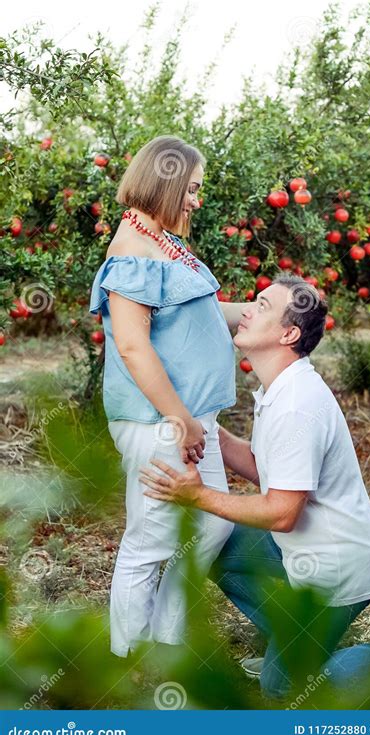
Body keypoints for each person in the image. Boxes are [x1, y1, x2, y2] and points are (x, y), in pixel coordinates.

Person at [138, 275, 370, 703]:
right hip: (299, 554)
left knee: (284, 688)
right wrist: (204, 430)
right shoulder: (280, 388)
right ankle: (291, 643)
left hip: (336, 569)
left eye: (262, 306)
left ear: (288, 334)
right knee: (214, 541)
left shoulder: (297, 405)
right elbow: (265, 469)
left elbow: (282, 512)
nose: (247, 310)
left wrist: (197, 496)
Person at [89, 135, 246, 657]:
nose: (197, 200)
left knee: (214, 523)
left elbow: (199, 314)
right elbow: (133, 346)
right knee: (151, 541)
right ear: (168, 182)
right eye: (192, 189)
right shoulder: (132, 252)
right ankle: (128, 657)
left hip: (190, 418)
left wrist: (262, 310)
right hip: (159, 421)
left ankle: (166, 642)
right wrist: (179, 416)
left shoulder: (165, 244)